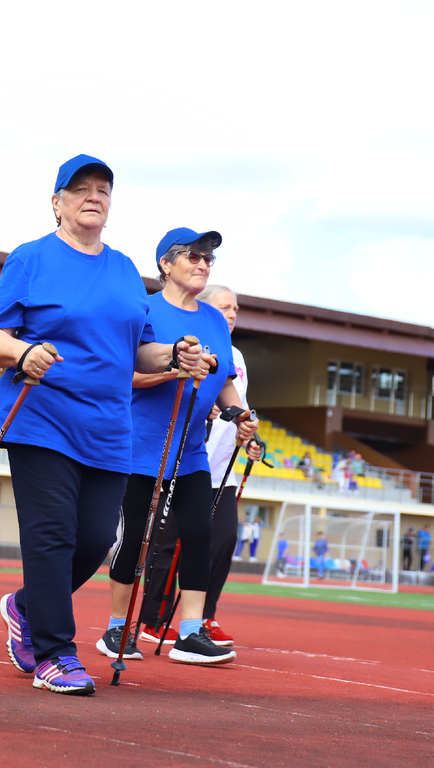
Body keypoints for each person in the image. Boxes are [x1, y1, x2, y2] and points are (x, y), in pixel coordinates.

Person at [0, 154, 205, 695]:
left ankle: (25, 606)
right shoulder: (30, 259)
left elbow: (140, 352)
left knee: (97, 540)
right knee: (52, 535)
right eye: (80, 188)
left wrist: (176, 353)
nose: (93, 196)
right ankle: (55, 653)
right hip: (42, 418)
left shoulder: (125, 268)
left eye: (103, 188)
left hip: (108, 428)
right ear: (56, 202)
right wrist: (23, 350)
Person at [105, 226, 257, 668]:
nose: (202, 264)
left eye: (208, 258)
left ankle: (189, 632)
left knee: (199, 534)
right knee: (136, 535)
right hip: (141, 444)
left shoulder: (212, 319)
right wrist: (173, 370)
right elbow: (126, 374)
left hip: (190, 449)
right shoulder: (144, 309)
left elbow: (225, 381)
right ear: (165, 264)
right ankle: (119, 624)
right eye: (192, 256)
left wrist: (239, 415)